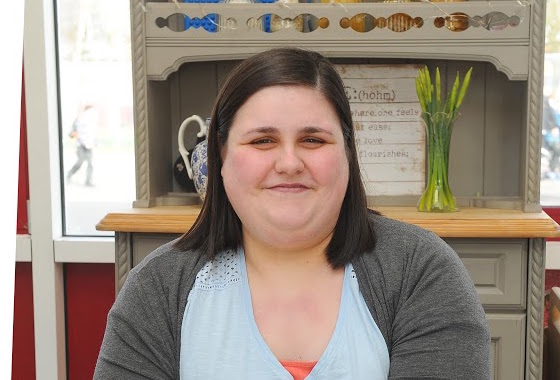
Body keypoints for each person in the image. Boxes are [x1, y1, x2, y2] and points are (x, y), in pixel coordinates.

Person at [94, 48, 490, 379]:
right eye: (262, 140)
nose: (289, 162)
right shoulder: (158, 289)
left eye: (312, 139)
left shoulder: (422, 272)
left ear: (348, 155)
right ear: (220, 157)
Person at [66, 104, 97, 186]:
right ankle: (69, 174)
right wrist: (77, 137)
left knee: (90, 163)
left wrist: (94, 142)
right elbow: (71, 133)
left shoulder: (92, 122)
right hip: (80, 146)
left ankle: (88, 181)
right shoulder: (79, 120)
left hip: (89, 146)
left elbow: (93, 134)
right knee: (80, 162)